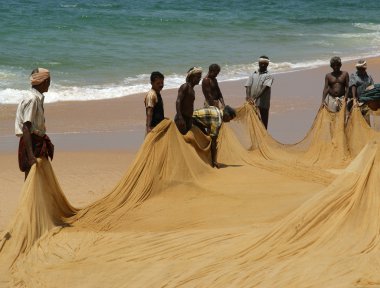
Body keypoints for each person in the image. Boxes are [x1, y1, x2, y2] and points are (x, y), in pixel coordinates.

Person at [15, 68, 54, 180]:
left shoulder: (36, 98)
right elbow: (26, 127)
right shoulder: (32, 99)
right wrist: (31, 155)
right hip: (31, 142)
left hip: (36, 142)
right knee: (31, 178)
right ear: (44, 81)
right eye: (49, 80)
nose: (49, 84)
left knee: (38, 178)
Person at [245, 55, 274, 129]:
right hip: (251, 102)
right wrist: (248, 97)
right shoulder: (253, 73)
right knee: (253, 121)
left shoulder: (269, 75)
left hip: (263, 102)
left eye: (265, 63)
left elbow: (265, 88)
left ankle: (264, 137)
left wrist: (254, 98)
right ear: (258, 63)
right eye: (261, 63)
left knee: (264, 122)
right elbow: (248, 85)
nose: (263, 65)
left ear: (268, 64)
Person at [175, 67, 202, 135]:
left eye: (200, 77)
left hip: (189, 118)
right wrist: (180, 117)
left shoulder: (192, 89)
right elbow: (178, 101)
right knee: (182, 140)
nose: (199, 79)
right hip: (182, 118)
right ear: (192, 77)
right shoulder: (185, 87)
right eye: (198, 77)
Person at [349, 59, 375, 124]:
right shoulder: (353, 76)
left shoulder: (369, 77)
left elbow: (372, 87)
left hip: (366, 102)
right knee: (356, 122)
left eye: (362, 69)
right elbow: (353, 86)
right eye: (359, 69)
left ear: (365, 68)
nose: (360, 70)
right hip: (357, 102)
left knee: (367, 121)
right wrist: (354, 99)